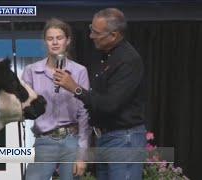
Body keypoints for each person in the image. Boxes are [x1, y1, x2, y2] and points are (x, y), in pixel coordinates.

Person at [53, 8, 147, 180]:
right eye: (91, 29)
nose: (91, 36)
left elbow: (110, 104)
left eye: (96, 33)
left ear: (114, 35)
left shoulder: (128, 60)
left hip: (124, 140)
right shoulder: (103, 56)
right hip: (104, 139)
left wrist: (76, 88)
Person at [21, 18, 91, 180]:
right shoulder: (31, 71)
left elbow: (84, 113)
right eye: (50, 38)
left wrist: (81, 155)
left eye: (59, 38)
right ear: (45, 42)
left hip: (71, 140)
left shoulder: (79, 71)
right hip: (44, 140)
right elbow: (24, 107)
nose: (55, 42)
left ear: (68, 41)